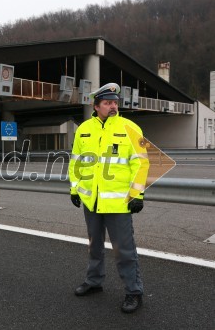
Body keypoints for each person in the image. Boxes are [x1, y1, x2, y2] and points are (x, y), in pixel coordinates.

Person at [68, 83, 150, 314]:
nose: (113, 106)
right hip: (91, 201)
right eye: (107, 103)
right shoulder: (84, 129)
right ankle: (94, 282)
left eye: (115, 102)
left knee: (124, 250)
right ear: (96, 106)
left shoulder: (130, 127)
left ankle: (134, 292)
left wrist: (137, 194)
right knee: (94, 246)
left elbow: (142, 162)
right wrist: (74, 190)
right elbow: (76, 162)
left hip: (119, 202)